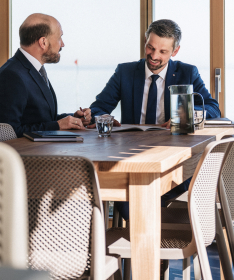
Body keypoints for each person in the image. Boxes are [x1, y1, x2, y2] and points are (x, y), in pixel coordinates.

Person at [88, 19, 221, 219]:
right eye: (150, 48)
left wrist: (184, 114)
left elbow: (213, 108)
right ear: (145, 42)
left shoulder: (187, 72)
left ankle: (148, 235)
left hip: (173, 156)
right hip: (132, 157)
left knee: (138, 198)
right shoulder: (125, 72)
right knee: (132, 198)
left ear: (174, 52)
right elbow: (98, 108)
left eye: (162, 52)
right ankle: (145, 236)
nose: (154, 56)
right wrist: (104, 118)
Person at [0, 13, 91, 137]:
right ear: (43, 42)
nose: (62, 44)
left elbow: (41, 120)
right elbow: (8, 133)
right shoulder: (11, 76)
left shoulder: (32, 70)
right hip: (24, 155)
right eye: (59, 38)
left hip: (42, 151)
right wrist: (58, 125)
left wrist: (73, 120)